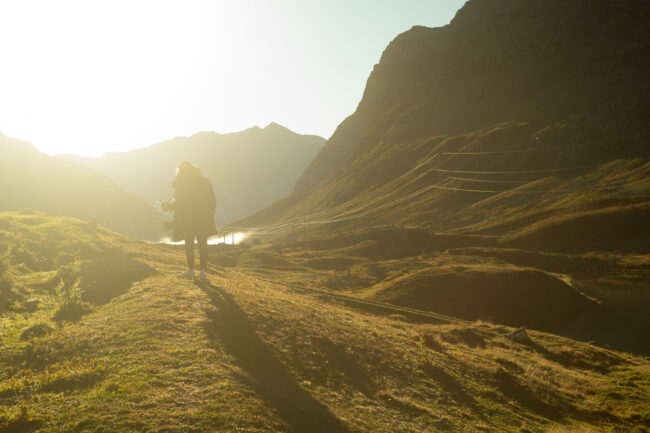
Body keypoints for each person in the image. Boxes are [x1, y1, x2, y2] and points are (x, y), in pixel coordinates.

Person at [162, 161, 216, 280]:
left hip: (187, 218)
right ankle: (203, 272)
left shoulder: (182, 183)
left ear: (181, 170)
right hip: (203, 218)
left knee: (189, 243)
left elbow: (180, 202)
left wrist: (168, 206)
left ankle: (191, 270)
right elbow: (212, 200)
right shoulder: (205, 182)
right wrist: (209, 216)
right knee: (203, 243)